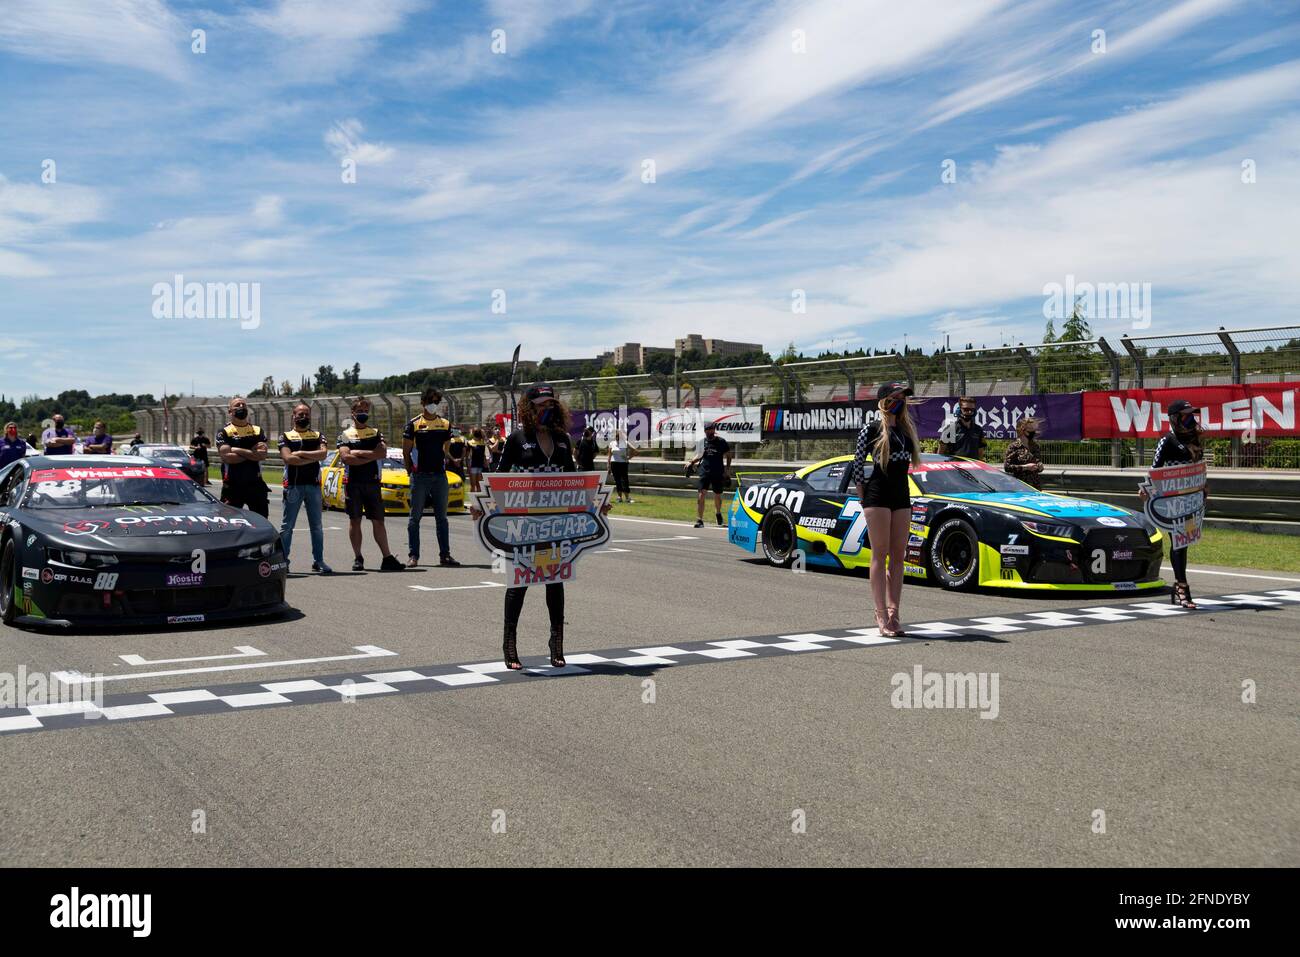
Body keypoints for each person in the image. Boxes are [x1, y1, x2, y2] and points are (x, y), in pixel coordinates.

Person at [483, 383, 609, 670]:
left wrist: (596, 505)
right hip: (524, 523)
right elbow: (499, 479)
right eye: (541, 404)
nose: (546, 408)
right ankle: (510, 644)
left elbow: (575, 482)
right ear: (529, 408)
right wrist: (483, 507)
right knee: (520, 582)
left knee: (555, 581)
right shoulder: (517, 439)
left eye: (550, 404)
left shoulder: (563, 439)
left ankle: (557, 642)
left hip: (556, 524)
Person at [853, 382, 920, 637]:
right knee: (879, 555)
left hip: (902, 495)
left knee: (898, 556)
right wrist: (863, 497)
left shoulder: (906, 429)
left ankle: (894, 614)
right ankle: (880, 614)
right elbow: (857, 464)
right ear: (883, 400)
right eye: (895, 397)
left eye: (903, 397)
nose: (900, 401)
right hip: (877, 495)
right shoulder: (871, 429)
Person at [1147, 398, 1204, 609]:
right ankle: (1182, 588)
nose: (1190, 419)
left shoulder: (1195, 438)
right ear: (1175, 418)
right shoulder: (1167, 440)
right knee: (1178, 542)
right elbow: (1155, 469)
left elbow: (1199, 467)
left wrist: (1203, 487)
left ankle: (1180, 585)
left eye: (1191, 415)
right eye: (1185, 415)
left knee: (1184, 542)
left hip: (1191, 500)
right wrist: (1147, 491)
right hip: (1172, 501)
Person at [339, 397, 403, 571]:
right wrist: (370, 455)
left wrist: (358, 452)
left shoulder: (375, 432)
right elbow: (346, 457)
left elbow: (382, 453)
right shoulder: (345, 435)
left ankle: (387, 558)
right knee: (355, 520)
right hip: (353, 483)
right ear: (352, 413)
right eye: (360, 411)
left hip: (373, 482)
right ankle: (358, 558)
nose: (363, 414)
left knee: (379, 521)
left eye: (366, 411)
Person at [402, 387, 460, 568]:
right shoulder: (413, 424)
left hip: (440, 476)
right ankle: (413, 556)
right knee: (415, 517)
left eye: (436, 401)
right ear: (423, 402)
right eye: (430, 401)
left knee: (442, 518)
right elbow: (406, 451)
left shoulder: (445, 424)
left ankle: (445, 555)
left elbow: (446, 450)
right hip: (420, 476)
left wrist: (448, 461)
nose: (433, 405)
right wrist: (410, 470)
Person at [278, 403, 332, 574]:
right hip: (293, 486)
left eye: (306, 414)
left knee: (317, 526)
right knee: (287, 526)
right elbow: (288, 458)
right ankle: (283, 561)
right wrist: (312, 457)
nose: (303, 417)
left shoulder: (318, 435)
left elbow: (323, 454)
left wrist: (300, 454)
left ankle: (319, 561)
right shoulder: (285, 436)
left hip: (313, 487)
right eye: (300, 414)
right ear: (293, 416)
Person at [216, 397, 271, 517]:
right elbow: (227, 457)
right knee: (229, 523)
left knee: (261, 522)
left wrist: (236, 449)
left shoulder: (257, 430)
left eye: (243, 405)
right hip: (232, 485)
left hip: (255, 484)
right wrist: (252, 453)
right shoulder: (223, 432)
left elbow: (262, 454)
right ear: (230, 411)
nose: (241, 406)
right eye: (237, 405)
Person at [689, 421, 733, 528]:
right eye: (708, 429)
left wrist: (727, 470)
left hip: (718, 472)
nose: (710, 431)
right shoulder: (702, 442)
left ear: (714, 430)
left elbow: (729, 455)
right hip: (704, 472)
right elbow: (699, 455)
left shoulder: (721, 442)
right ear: (705, 431)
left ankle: (718, 513)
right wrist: (691, 462)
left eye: (711, 429)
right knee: (701, 494)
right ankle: (699, 520)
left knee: (717, 495)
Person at [938, 395, 986, 460]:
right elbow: (940, 454)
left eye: (972, 410)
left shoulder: (978, 430)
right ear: (959, 410)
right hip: (955, 465)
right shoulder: (950, 429)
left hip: (973, 465)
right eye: (966, 409)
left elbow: (980, 453)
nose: (969, 412)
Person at [1003, 417, 1045, 490]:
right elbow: (1007, 467)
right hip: (1019, 486)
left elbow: (1038, 463)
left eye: (1033, 429)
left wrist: (1040, 466)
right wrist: (1025, 467)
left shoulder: (1035, 446)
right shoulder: (1014, 447)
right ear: (1023, 430)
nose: (1033, 432)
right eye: (1030, 429)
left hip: (1035, 486)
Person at [607, 429, 635, 504]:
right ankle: (619, 497)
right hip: (614, 464)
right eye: (616, 436)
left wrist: (628, 457)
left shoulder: (625, 442)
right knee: (617, 480)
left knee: (624, 480)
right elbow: (609, 456)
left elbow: (634, 450)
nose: (617, 437)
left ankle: (627, 498)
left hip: (623, 464)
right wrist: (608, 466)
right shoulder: (612, 443)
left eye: (618, 436)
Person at [466, 427, 488, 492]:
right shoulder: (469, 442)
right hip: (473, 465)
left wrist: (485, 462)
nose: (477, 433)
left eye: (478, 432)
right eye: (476, 431)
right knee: (473, 485)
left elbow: (484, 454)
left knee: (479, 485)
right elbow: (467, 456)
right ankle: (472, 498)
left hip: (480, 466)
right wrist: (468, 466)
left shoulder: (483, 443)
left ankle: (479, 498)